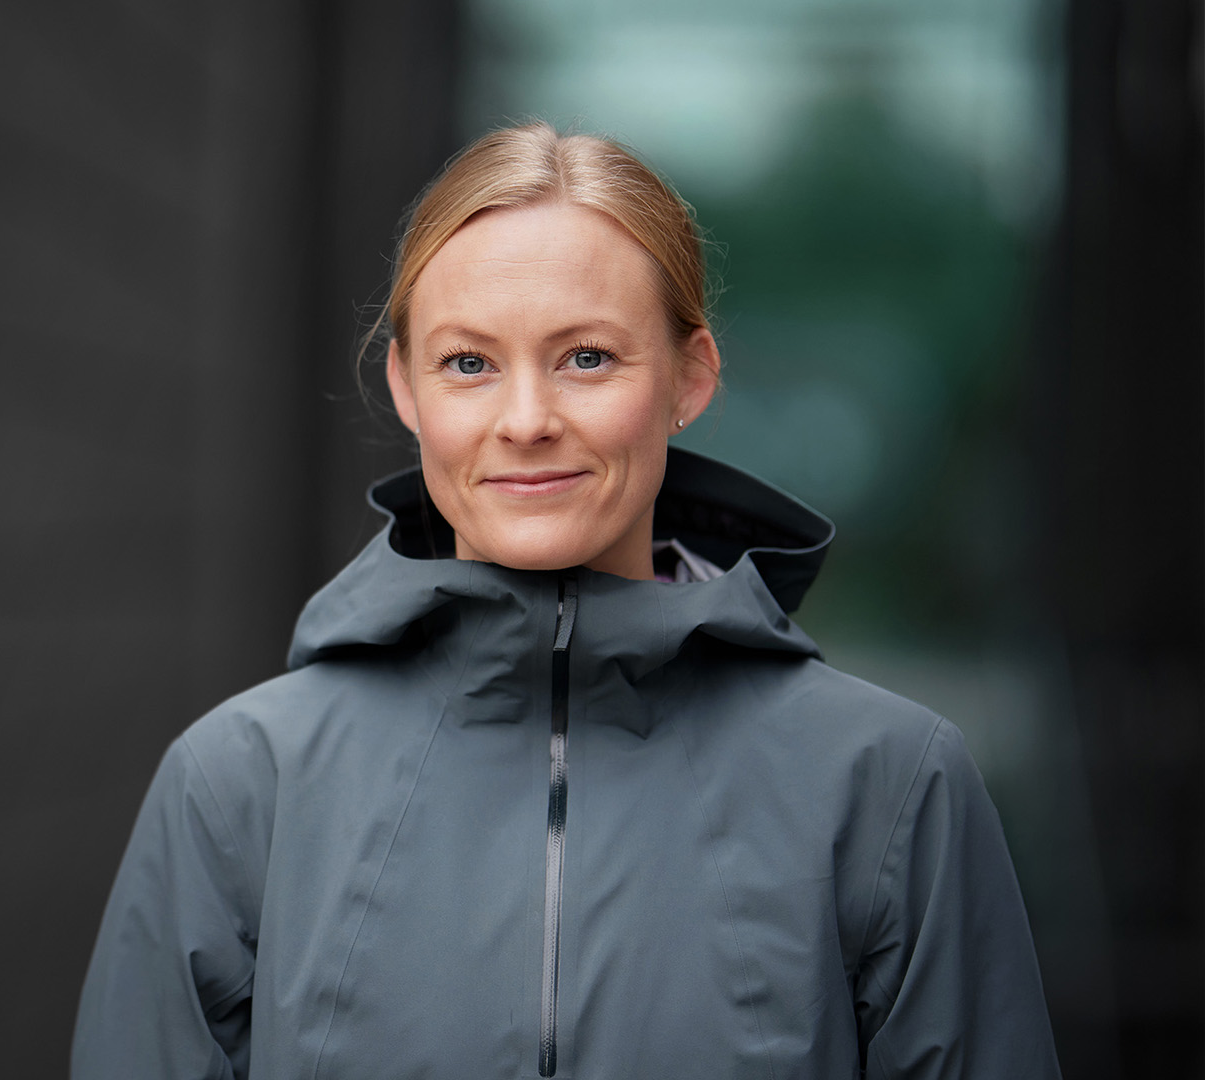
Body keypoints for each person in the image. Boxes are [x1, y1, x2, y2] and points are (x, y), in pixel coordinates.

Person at [73, 122, 1059, 1079]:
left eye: (586, 357)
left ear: (690, 376)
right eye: (469, 363)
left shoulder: (890, 785)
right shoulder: (240, 786)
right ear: (407, 390)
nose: (528, 420)